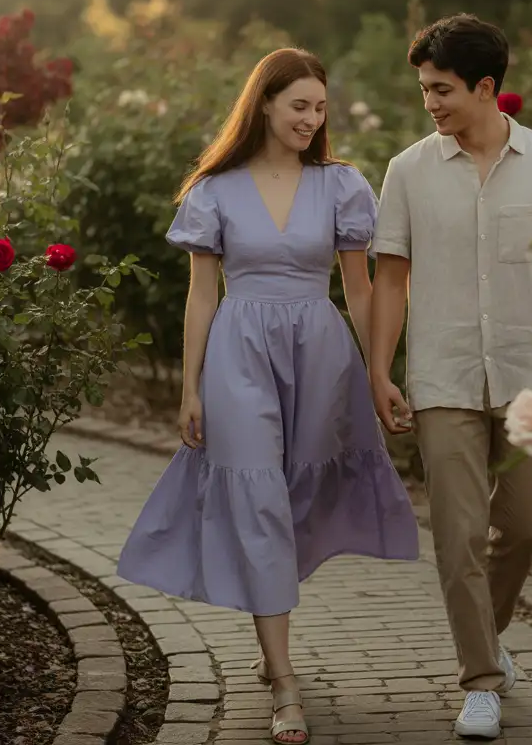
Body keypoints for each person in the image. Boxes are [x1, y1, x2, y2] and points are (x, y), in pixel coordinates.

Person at [117, 47, 420, 745]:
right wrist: (190, 386)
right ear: (264, 105)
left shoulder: (341, 185)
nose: (312, 120)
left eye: (320, 108)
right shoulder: (214, 191)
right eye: (299, 106)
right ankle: (285, 680)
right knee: (255, 495)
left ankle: (271, 624)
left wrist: (378, 373)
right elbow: (201, 296)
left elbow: (360, 287)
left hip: (320, 354)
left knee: (295, 499)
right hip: (239, 354)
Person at [369, 14, 532, 739]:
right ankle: (480, 679)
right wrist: (379, 370)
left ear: (486, 87)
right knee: (459, 535)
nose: (430, 103)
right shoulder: (408, 171)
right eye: (423, 90)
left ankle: (487, 638)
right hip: (442, 377)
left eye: (441, 90)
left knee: (525, 529)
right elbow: (391, 281)